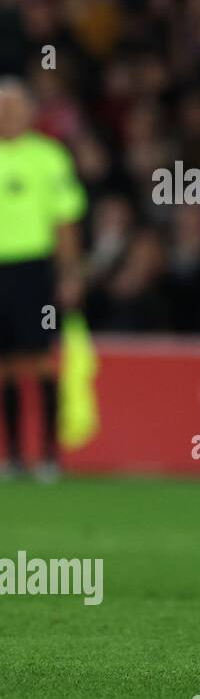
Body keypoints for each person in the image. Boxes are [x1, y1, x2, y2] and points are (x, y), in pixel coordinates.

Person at [0, 77, 86, 482]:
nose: (8, 115)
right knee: (6, 366)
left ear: (30, 112)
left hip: (36, 270)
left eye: (15, 107)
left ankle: (50, 454)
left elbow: (66, 219)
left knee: (42, 361)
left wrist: (70, 273)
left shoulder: (50, 157)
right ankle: (14, 456)